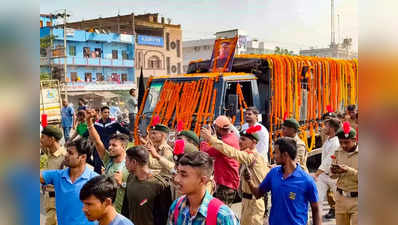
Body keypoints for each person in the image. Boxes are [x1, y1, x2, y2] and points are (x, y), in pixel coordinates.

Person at [244, 137, 322, 225]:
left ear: (285, 155)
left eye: (276, 153)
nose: (274, 156)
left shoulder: (307, 181)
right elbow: (258, 194)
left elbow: (316, 209)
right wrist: (249, 181)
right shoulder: (273, 173)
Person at [201, 125, 268, 225]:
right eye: (240, 139)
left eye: (244, 139)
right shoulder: (250, 156)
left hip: (254, 203)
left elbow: (232, 152)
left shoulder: (252, 156)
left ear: (254, 142)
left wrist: (211, 139)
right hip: (247, 201)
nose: (240, 142)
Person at [167, 151, 240, 225]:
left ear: (202, 180)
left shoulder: (224, 216)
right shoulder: (176, 206)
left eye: (183, 175)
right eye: (178, 172)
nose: (177, 179)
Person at [40, 138, 98, 225]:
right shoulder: (58, 176)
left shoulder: (95, 180)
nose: (66, 155)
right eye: (67, 151)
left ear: (83, 157)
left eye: (70, 153)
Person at [86, 109, 130, 213]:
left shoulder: (131, 165)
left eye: (114, 145)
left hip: (125, 212)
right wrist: (89, 122)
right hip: (108, 211)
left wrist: (121, 184)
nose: (109, 148)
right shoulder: (108, 160)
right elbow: (97, 141)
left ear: (123, 147)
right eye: (110, 145)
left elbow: (138, 189)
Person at [121, 146, 172, 225]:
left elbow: (163, 217)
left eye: (126, 160)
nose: (125, 164)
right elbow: (125, 208)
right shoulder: (130, 178)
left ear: (134, 162)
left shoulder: (160, 185)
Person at [200, 116, 240, 207]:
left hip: (225, 184)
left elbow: (206, 151)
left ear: (218, 128)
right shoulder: (232, 137)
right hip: (228, 182)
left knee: (221, 212)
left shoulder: (226, 142)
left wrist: (205, 139)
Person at [312, 118, 341, 219]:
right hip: (324, 175)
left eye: (327, 126)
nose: (324, 128)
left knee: (340, 201)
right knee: (318, 198)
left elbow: (328, 161)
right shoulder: (328, 140)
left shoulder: (336, 142)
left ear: (332, 128)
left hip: (334, 176)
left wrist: (316, 174)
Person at [330, 122, 358, 225]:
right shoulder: (338, 152)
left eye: (346, 142)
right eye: (341, 142)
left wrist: (348, 170)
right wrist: (334, 172)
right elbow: (332, 175)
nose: (343, 145)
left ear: (355, 140)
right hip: (341, 198)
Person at [40, 126, 67, 225]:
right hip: (49, 200)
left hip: (57, 202)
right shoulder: (50, 152)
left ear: (51, 139)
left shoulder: (64, 158)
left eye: (43, 137)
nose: (40, 139)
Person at [92, 106, 130, 174]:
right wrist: (78, 131)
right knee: (97, 167)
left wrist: (132, 133)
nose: (107, 114)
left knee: (110, 167)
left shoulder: (114, 122)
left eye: (108, 112)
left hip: (110, 148)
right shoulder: (97, 123)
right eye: (105, 112)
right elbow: (87, 132)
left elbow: (124, 130)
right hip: (99, 148)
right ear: (101, 113)